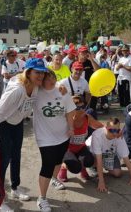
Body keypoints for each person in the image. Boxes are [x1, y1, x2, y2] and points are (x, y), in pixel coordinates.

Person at [0, 58, 48, 212]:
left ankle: (14, 188)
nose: (41, 76)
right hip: (4, 125)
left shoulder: (35, 86)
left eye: (42, 73)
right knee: (3, 162)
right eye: (37, 72)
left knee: (16, 157)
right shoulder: (17, 90)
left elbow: (51, 88)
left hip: (17, 124)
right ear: (28, 72)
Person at [32, 69, 76, 212]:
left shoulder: (62, 91)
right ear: (42, 79)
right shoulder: (35, 92)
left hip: (63, 135)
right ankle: (42, 198)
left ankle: (54, 178)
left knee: (58, 161)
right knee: (47, 164)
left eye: (53, 77)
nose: (51, 80)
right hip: (45, 137)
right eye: (47, 77)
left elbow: (70, 111)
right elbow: (18, 82)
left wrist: (70, 127)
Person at [86, 117, 131, 192]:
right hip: (94, 152)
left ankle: (104, 167)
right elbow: (99, 159)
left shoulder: (118, 136)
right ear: (106, 128)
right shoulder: (97, 135)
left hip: (108, 153)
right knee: (96, 161)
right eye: (111, 130)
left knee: (117, 173)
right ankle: (94, 167)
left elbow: (126, 159)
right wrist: (101, 181)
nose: (114, 133)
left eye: (117, 130)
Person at [58, 95, 104, 182]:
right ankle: (63, 167)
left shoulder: (87, 117)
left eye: (83, 106)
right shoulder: (65, 119)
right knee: (75, 168)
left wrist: (113, 131)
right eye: (78, 108)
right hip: (67, 150)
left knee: (89, 161)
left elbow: (100, 126)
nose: (82, 110)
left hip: (80, 147)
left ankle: (83, 168)